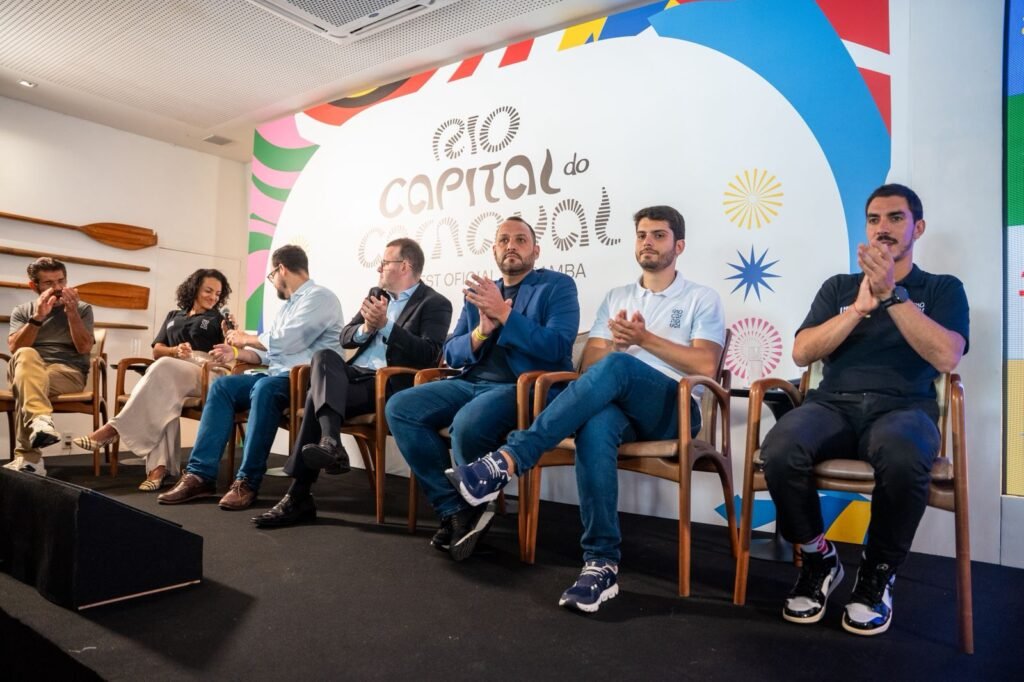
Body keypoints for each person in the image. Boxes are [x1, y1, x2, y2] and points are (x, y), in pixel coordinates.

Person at [448, 205, 725, 612]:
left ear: (678, 245)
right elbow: (589, 366)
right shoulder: (617, 298)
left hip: (674, 410)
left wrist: (642, 341)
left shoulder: (702, 297)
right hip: (618, 407)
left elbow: (706, 366)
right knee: (596, 423)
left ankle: (509, 458)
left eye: (659, 235)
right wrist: (618, 347)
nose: (648, 241)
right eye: (642, 234)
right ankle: (601, 563)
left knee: (618, 365)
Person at [758, 183, 969, 636]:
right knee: (779, 449)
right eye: (874, 219)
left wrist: (893, 296)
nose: (883, 229)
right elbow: (801, 352)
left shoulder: (942, 288)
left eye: (895, 218)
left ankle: (877, 571)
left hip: (903, 408)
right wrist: (858, 308)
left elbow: (948, 357)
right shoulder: (837, 287)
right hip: (833, 405)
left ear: (919, 227)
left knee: (902, 453)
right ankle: (819, 558)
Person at [385, 216, 580, 560]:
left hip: (522, 388)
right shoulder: (479, 293)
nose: (511, 246)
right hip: (471, 381)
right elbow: (452, 350)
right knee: (401, 407)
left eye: (520, 240)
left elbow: (557, 347)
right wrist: (482, 332)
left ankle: (469, 510)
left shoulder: (557, 287)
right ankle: (455, 509)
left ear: (535, 250)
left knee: (469, 423)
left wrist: (506, 315)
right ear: (494, 250)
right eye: (503, 240)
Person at [253, 238, 453, 528]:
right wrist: (366, 328)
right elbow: (344, 337)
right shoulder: (377, 294)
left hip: (390, 385)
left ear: (405, 266)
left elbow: (429, 354)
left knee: (314, 398)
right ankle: (330, 444)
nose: (379, 268)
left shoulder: (435, 303)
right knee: (323, 356)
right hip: (355, 376)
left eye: (385, 262)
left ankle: (300, 492)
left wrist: (387, 326)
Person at [158, 245, 344, 511]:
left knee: (265, 388)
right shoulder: (288, 307)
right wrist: (234, 350)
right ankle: (200, 475)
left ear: (281, 269)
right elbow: (271, 354)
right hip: (278, 375)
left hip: (307, 382)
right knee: (223, 386)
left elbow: (287, 341)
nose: (273, 283)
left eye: (271, 276)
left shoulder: (320, 297)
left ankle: (247, 480)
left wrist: (244, 337)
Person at [73, 269, 232, 491]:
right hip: (172, 371)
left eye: (218, 293)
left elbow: (229, 352)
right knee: (163, 394)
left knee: (163, 369)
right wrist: (176, 350)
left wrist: (227, 338)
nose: (213, 297)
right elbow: (158, 351)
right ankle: (158, 469)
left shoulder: (218, 318)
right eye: (208, 290)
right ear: (195, 288)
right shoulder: (173, 316)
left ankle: (113, 429)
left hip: (206, 374)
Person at [5, 257, 94, 476]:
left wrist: (72, 314)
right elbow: (15, 348)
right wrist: (38, 317)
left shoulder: (82, 309)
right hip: (26, 368)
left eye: (61, 281)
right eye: (48, 283)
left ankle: (29, 458)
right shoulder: (23, 311)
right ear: (33, 286)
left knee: (26, 386)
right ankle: (41, 421)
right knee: (26, 354)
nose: (57, 289)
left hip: (67, 372)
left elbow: (84, 348)